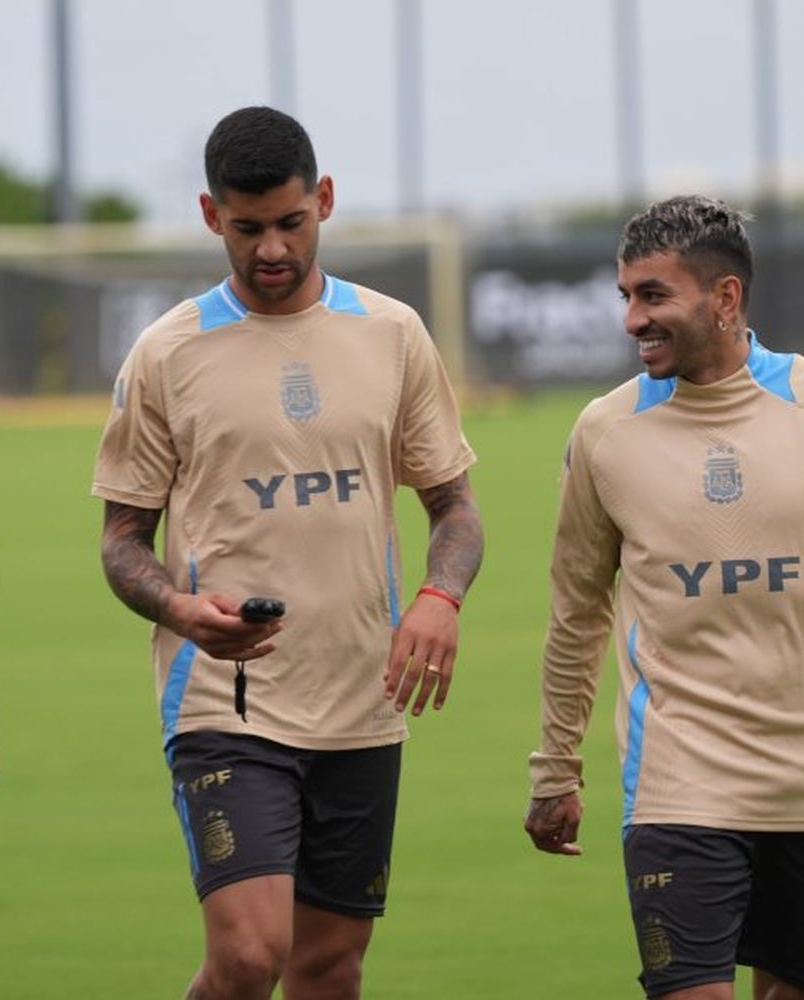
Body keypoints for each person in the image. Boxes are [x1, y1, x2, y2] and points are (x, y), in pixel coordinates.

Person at [93, 106, 483, 1000]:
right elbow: (121, 544)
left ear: (326, 201)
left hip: (361, 697)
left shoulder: (393, 334)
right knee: (247, 958)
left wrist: (439, 597)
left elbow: (455, 507)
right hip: (227, 702)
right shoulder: (167, 352)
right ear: (209, 215)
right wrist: (179, 610)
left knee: (329, 967)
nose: (271, 248)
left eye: (290, 223)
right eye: (248, 227)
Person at [523, 195, 804, 1000]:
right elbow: (577, 611)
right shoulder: (603, 434)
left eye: (653, 296)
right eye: (626, 296)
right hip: (678, 785)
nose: (632, 320)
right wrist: (555, 770)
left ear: (724, 300)